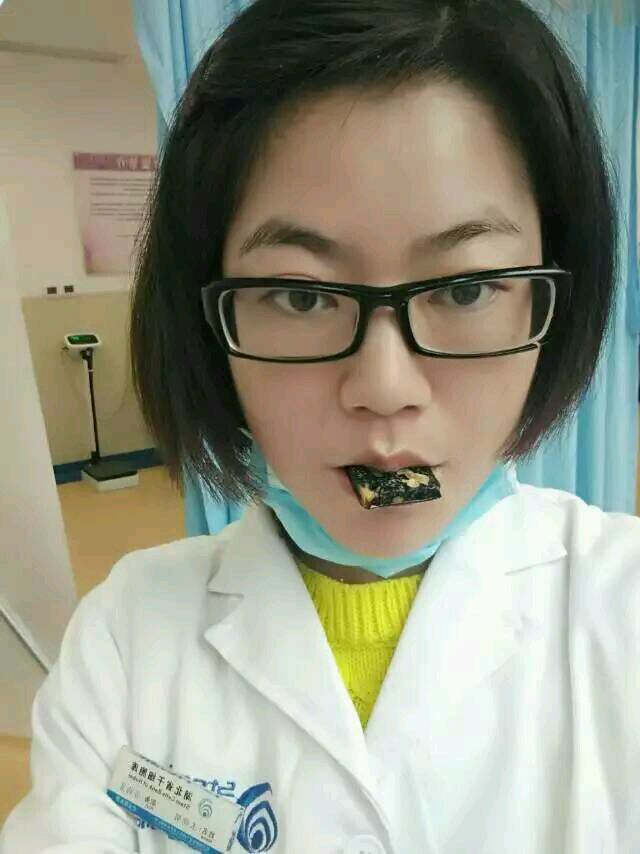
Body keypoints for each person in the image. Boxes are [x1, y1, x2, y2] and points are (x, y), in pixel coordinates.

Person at [2, 0, 638, 851]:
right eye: (301, 296)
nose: (384, 388)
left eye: (464, 288)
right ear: (204, 320)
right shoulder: (123, 640)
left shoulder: (624, 609)